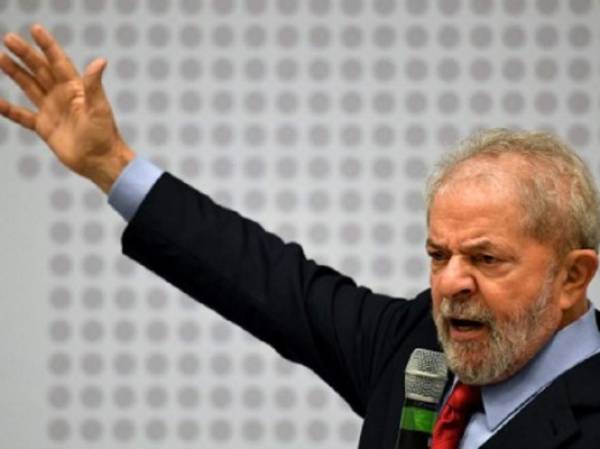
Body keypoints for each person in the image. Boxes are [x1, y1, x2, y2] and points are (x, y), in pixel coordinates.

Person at [2, 24, 600, 449]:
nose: (450, 284)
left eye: (485, 258)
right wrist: (112, 164)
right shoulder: (416, 346)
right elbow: (265, 279)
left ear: (574, 276)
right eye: (437, 255)